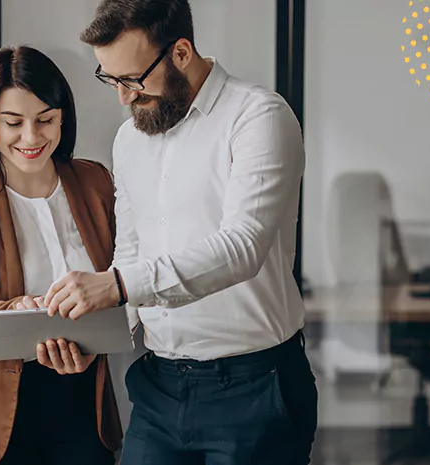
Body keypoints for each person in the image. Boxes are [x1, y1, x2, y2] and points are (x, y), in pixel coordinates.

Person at [41, 1, 318, 463]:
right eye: (111, 80)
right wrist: (98, 338)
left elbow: (242, 246)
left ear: (182, 53)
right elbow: (131, 249)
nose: (123, 97)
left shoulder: (258, 117)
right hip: (158, 388)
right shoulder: (130, 140)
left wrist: (117, 286)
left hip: (255, 388)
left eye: (132, 79)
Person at [0, 45, 122, 465]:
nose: (32, 137)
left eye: (45, 120)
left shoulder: (94, 182)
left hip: (82, 400)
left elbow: (123, 278)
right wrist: (15, 310)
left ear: (62, 117)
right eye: (14, 123)